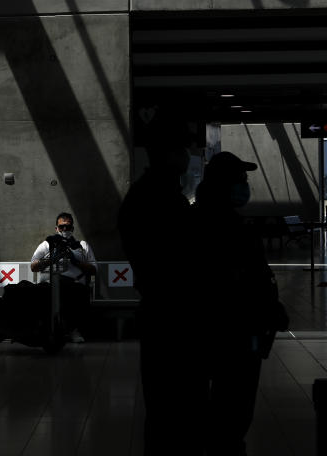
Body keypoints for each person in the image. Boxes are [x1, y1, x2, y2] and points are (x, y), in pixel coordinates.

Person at [118, 119, 204, 455]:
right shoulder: (162, 200)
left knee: (163, 403)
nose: (186, 157)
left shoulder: (146, 196)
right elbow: (181, 258)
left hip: (160, 308)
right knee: (177, 402)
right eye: (181, 150)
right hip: (173, 312)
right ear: (168, 155)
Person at [193, 152, 288, 455]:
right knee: (233, 403)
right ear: (224, 185)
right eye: (240, 180)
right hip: (234, 330)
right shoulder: (227, 226)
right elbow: (242, 279)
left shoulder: (199, 218)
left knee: (221, 404)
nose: (245, 186)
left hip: (219, 328)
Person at [30, 212, 96, 343]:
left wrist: (75, 261)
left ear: (72, 228)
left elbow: (94, 270)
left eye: (68, 227)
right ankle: (44, 329)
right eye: (61, 227)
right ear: (56, 228)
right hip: (49, 283)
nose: (64, 230)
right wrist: (52, 258)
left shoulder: (82, 246)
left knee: (72, 292)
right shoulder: (47, 245)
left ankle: (71, 329)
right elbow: (33, 266)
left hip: (74, 284)